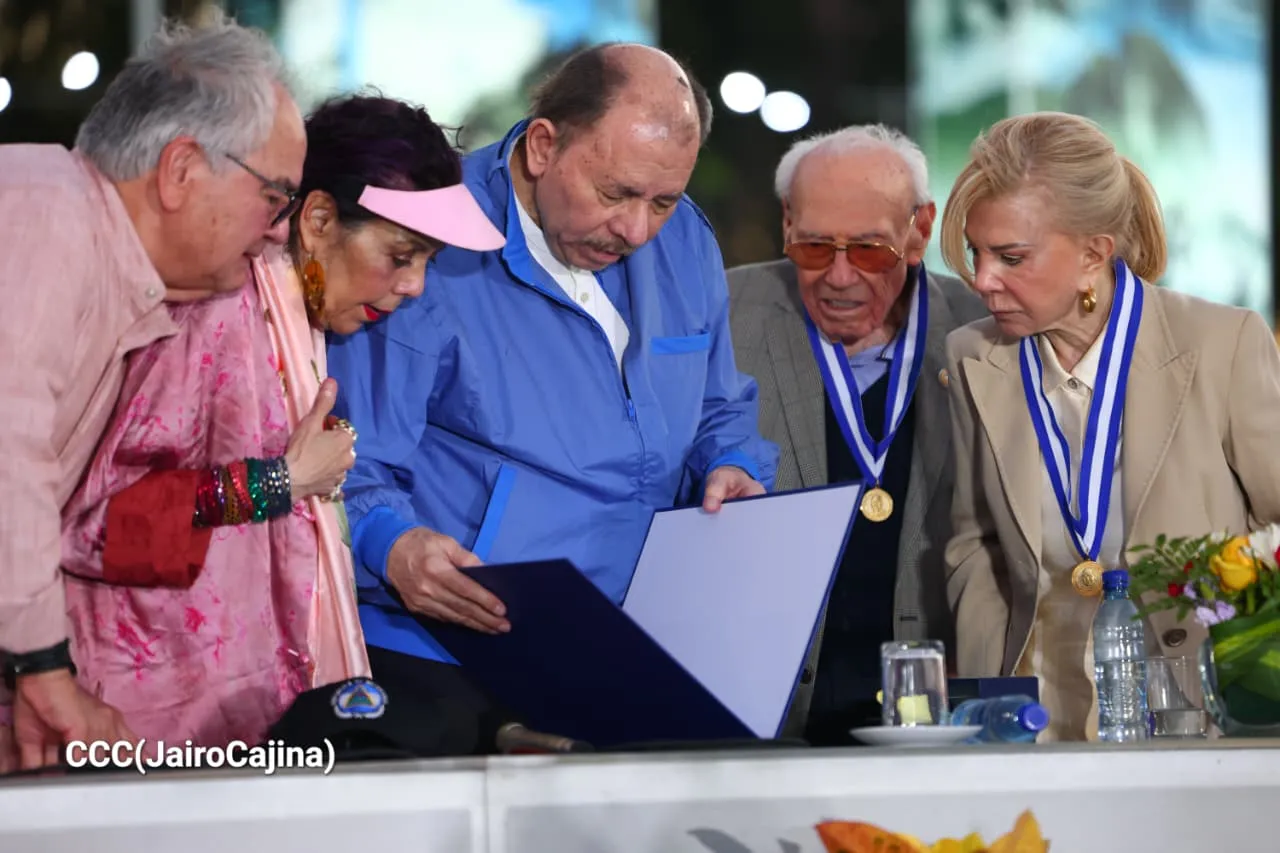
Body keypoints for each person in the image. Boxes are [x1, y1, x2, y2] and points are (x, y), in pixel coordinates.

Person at [326, 43, 777, 752]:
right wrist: (392, 545)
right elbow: (347, 453)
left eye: (662, 200)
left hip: (632, 643)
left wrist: (731, 462)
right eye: (615, 193)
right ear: (542, 146)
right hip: (450, 647)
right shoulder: (431, 241)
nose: (637, 230)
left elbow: (718, 406)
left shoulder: (686, 238)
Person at [56, 93, 506, 750]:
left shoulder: (297, 315)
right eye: (401, 254)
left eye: (426, 262)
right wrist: (280, 481)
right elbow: (93, 524)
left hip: (237, 709)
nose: (415, 286)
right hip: (148, 725)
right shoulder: (213, 313)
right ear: (319, 219)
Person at [0, 14, 306, 771]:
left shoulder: (110, 261)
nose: (278, 231)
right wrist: (41, 667)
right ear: (180, 171)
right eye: (275, 196)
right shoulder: (46, 210)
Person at [940, 111, 1280, 741]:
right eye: (976, 252)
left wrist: (1252, 681)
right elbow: (975, 545)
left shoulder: (1222, 342)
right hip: (1035, 722)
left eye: (1011, 257)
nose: (983, 280)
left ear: (1093, 254)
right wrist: (990, 699)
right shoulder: (971, 355)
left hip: (1193, 718)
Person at [726, 125, 986, 746]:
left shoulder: (986, 334)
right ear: (787, 223)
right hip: (761, 721)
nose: (839, 276)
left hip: (939, 725)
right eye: (815, 247)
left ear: (920, 230)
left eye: (869, 250)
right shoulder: (723, 315)